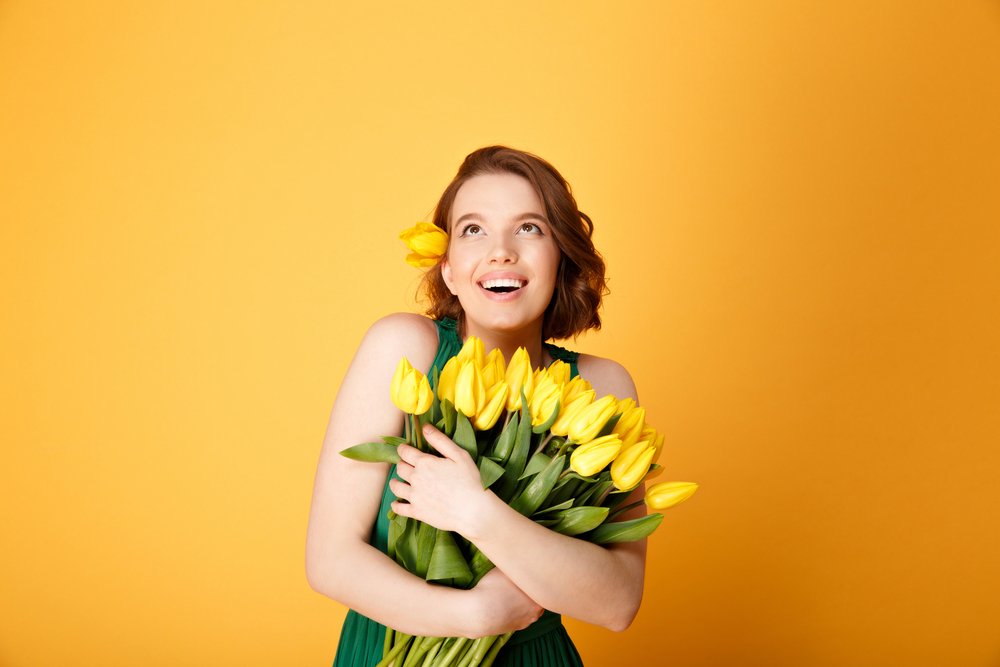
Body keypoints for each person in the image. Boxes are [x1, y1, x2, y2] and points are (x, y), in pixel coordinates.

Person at [306, 146, 648, 666]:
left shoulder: (601, 388)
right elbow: (329, 560)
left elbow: (618, 603)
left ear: (561, 256)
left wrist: (477, 513)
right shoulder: (405, 349)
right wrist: (475, 617)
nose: (501, 252)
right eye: (473, 230)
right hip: (384, 651)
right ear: (447, 269)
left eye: (530, 228)